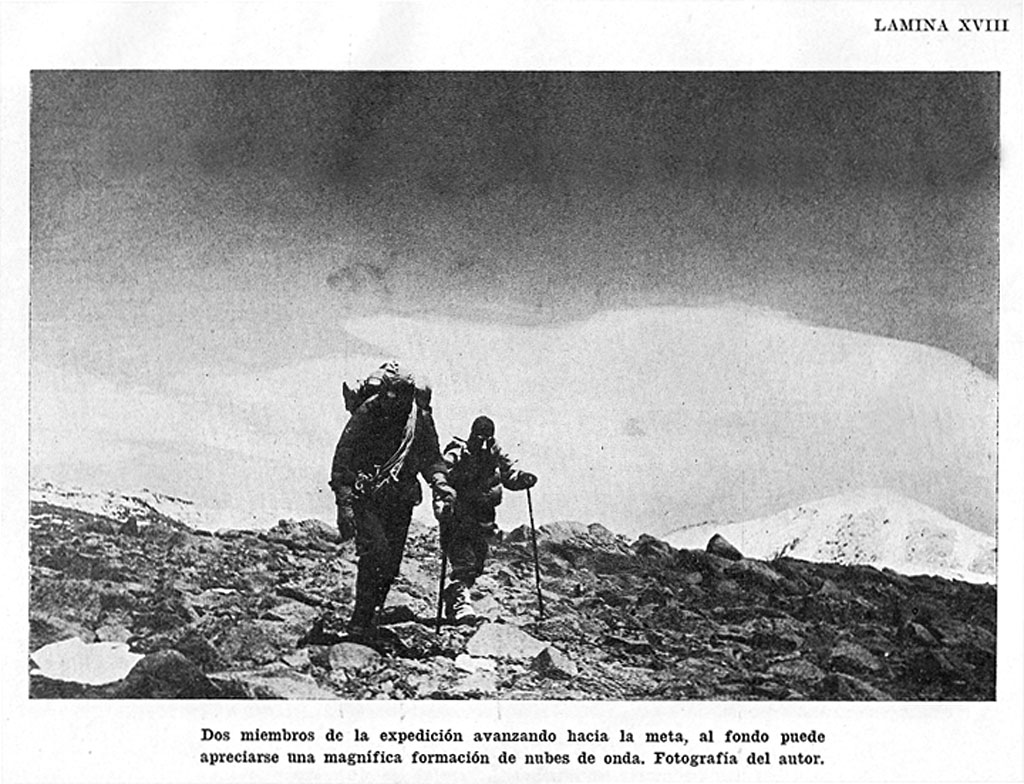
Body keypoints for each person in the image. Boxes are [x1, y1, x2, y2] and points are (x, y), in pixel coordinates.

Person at [329, 361, 456, 637]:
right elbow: (344, 458)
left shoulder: (418, 419)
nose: (394, 399)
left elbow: (430, 457)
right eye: (391, 392)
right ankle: (359, 622)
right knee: (376, 553)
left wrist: (440, 483)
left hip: (400, 500)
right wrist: (345, 502)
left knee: (390, 564)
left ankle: (372, 617)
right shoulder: (368, 412)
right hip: (368, 498)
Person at [440, 415, 537, 623]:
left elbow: (510, 474)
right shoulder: (459, 450)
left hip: (483, 515)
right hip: (459, 513)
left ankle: (455, 600)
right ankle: (460, 605)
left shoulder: (496, 452)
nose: (483, 441)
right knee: (463, 559)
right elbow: (442, 471)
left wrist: (522, 478)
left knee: (478, 559)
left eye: (487, 437)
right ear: (471, 434)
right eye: (479, 436)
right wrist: (444, 502)